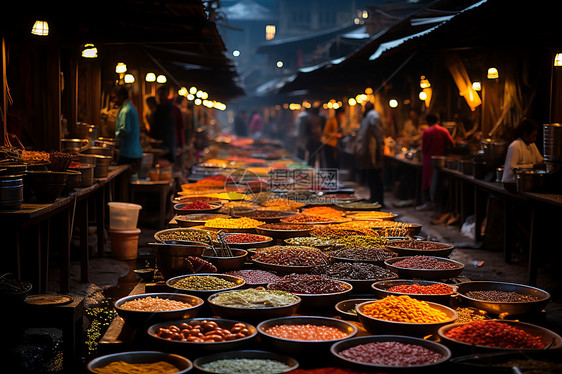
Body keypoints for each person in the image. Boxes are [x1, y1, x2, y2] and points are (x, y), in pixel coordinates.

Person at [418, 113, 454, 211]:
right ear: (438, 120)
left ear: (428, 122)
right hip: (441, 160)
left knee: (427, 181)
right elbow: (451, 143)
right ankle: (438, 203)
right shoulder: (444, 130)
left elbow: (424, 149)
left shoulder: (427, 132)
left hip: (428, 160)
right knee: (438, 181)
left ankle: (429, 203)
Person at [354, 102, 385, 205]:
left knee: (375, 176)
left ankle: (378, 200)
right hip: (368, 151)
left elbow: (378, 133)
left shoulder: (373, 116)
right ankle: (373, 198)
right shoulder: (369, 116)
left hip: (372, 151)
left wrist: (380, 147)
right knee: (371, 175)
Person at [502, 117, 545, 183]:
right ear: (525, 135)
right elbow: (513, 167)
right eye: (533, 136)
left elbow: (540, 160)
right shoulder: (515, 146)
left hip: (524, 181)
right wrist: (533, 166)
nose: (535, 139)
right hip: (511, 181)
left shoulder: (532, 145)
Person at [111, 85, 143, 173]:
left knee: (124, 183)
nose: (113, 101)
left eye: (114, 98)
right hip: (133, 152)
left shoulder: (126, 110)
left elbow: (124, 130)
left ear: (121, 96)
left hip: (128, 154)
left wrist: (113, 141)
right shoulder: (130, 107)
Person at [151, 86, 177, 163]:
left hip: (168, 140)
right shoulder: (158, 108)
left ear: (167, 95)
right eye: (159, 95)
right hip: (158, 141)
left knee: (168, 162)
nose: (160, 97)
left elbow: (176, 126)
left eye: (162, 95)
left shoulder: (172, 108)